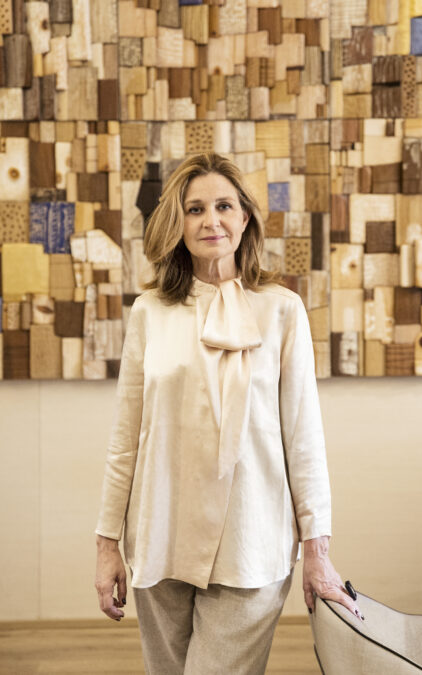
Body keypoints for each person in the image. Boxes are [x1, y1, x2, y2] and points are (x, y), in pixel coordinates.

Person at [95, 152, 361, 674]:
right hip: (160, 535)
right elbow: (125, 439)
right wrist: (106, 545)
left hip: (251, 539)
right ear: (177, 223)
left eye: (223, 206)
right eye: (194, 209)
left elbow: (303, 439)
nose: (210, 221)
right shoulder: (150, 311)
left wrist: (318, 551)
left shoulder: (282, 310)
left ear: (244, 218)